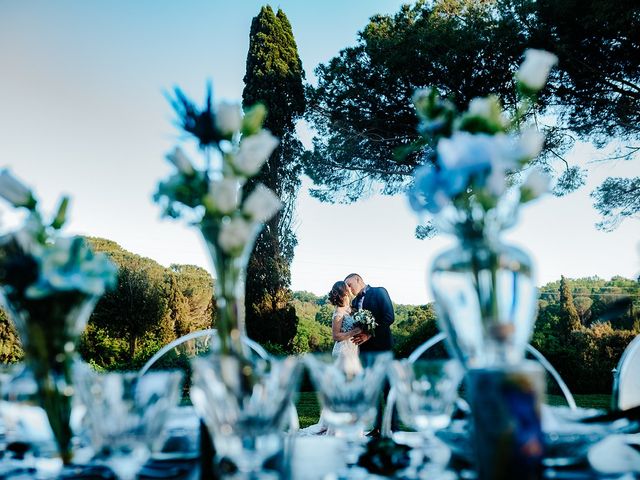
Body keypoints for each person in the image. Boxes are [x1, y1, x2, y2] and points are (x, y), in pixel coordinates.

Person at [299, 280, 362, 436]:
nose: (350, 287)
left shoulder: (353, 309)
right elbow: (336, 336)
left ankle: (351, 425)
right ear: (344, 292)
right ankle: (336, 427)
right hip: (342, 352)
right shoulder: (339, 312)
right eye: (347, 286)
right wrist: (353, 332)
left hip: (354, 351)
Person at [344, 273, 396, 436]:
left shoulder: (379, 292)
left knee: (388, 389)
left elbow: (389, 317)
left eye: (350, 284)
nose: (348, 288)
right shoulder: (353, 303)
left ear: (358, 280)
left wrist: (368, 334)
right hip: (364, 352)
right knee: (372, 390)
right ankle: (378, 427)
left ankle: (393, 428)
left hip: (383, 349)